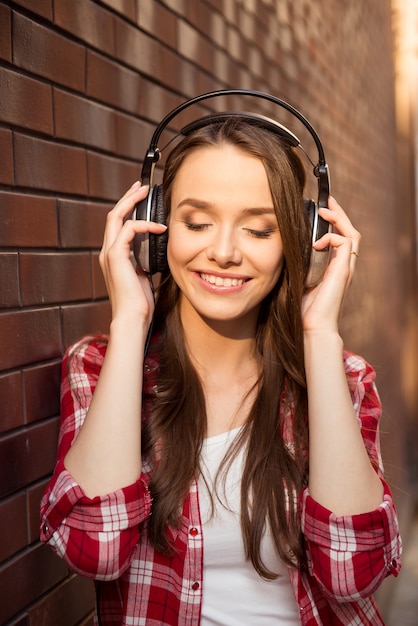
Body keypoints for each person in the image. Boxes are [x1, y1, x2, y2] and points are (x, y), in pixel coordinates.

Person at [40, 110, 401, 626]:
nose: (224, 252)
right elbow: (93, 550)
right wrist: (130, 320)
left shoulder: (342, 378)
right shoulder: (100, 367)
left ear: (298, 241)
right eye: (197, 223)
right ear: (157, 226)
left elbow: (352, 574)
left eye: (259, 229)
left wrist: (320, 334)